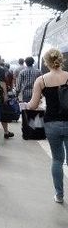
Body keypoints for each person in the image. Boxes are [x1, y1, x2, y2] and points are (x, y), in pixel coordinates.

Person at [27, 48, 68, 203]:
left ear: (46, 62)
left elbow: (33, 104)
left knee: (57, 160)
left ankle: (59, 195)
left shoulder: (41, 80)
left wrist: (27, 105)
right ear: (60, 60)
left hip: (51, 123)